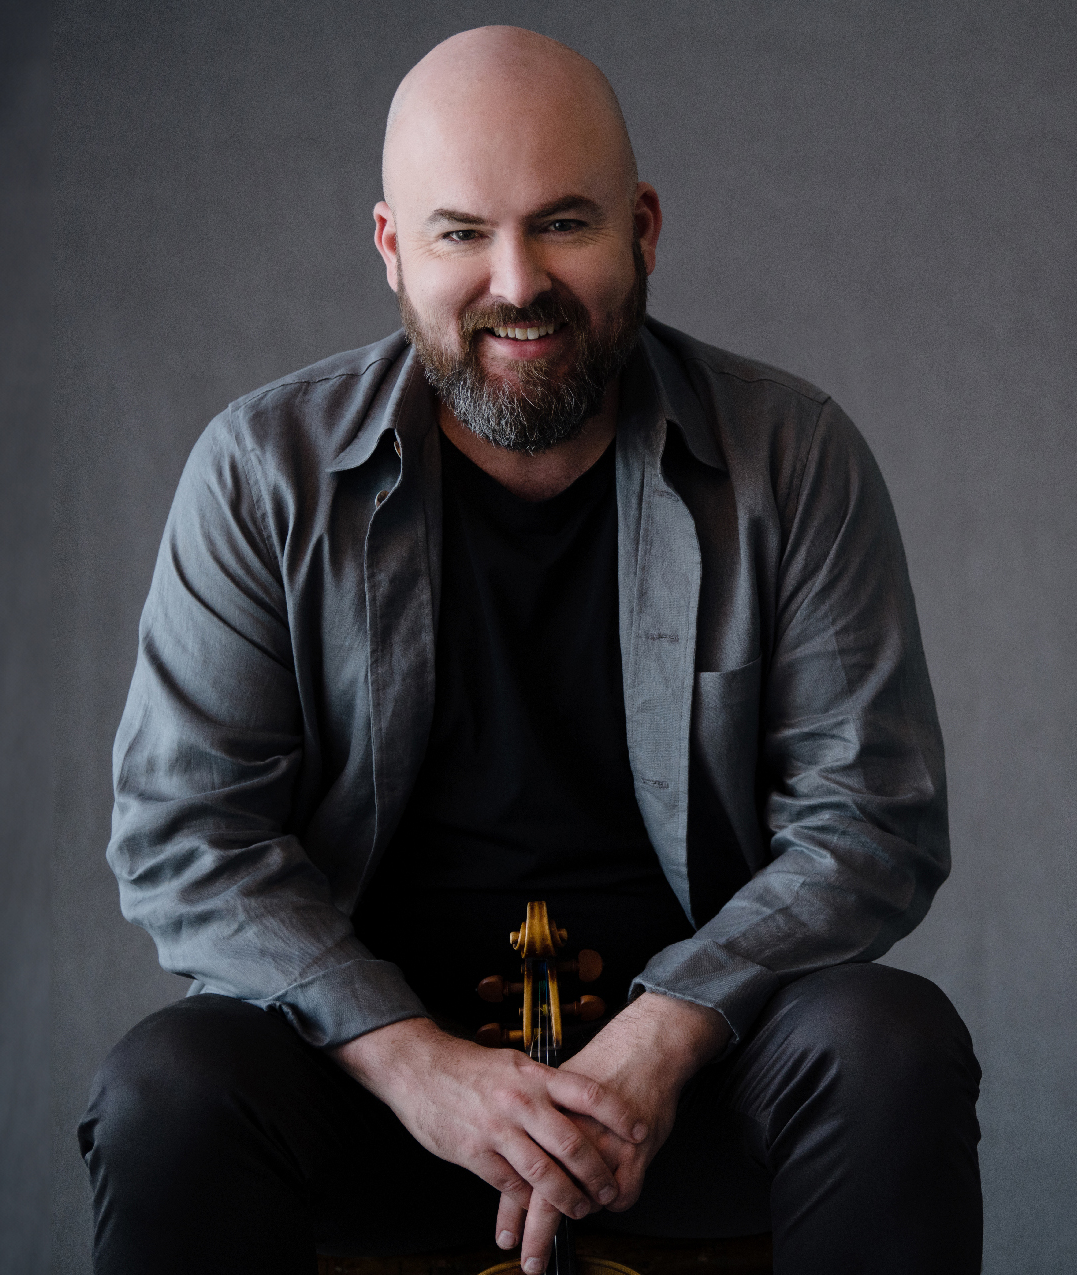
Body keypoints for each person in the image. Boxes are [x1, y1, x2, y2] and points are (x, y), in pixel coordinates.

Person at [78, 25, 982, 1275]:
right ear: (393, 247)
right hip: (378, 1101)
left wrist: (665, 1035)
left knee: (889, 1043)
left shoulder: (795, 455)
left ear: (643, 230)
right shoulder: (259, 474)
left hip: (690, 1091)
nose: (516, 282)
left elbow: (872, 820)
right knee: (168, 1086)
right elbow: (187, 839)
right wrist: (419, 1065)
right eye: (461, 232)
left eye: (564, 223)